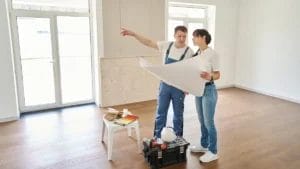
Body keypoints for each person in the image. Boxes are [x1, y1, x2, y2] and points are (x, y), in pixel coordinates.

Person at [120, 26, 194, 138]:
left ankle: (179, 139)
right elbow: (149, 42)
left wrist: (187, 86)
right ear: (174, 35)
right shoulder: (166, 46)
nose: (182, 39)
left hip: (178, 88)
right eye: (179, 36)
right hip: (164, 86)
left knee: (178, 115)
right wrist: (134, 34)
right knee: (161, 113)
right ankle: (158, 138)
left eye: (184, 36)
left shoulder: (189, 52)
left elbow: (190, 71)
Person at [189, 29, 221, 163]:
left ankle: (213, 151)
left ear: (203, 37)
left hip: (209, 90)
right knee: (202, 120)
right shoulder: (197, 53)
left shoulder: (213, 54)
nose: (192, 39)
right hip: (198, 90)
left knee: (209, 122)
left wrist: (210, 76)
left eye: (194, 37)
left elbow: (218, 75)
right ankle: (204, 144)